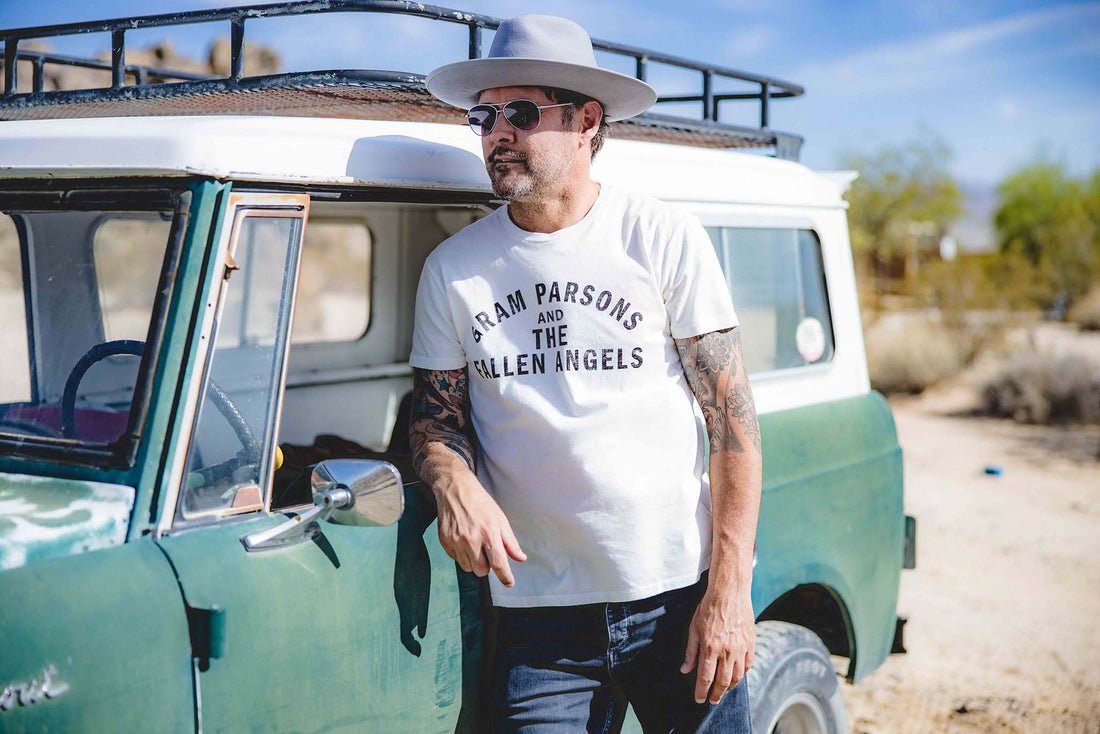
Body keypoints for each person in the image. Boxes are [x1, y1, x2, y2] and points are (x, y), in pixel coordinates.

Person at [409, 14, 762, 733]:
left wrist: (729, 591)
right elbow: (434, 420)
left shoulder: (659, 236)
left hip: (677, 601)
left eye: (521, 113)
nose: (496, 131)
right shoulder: (453, 269)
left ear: (585, 121)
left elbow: (731, 421)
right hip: (540, 623)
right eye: (484, 115)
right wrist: (453, 480)